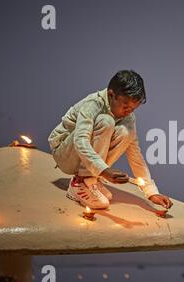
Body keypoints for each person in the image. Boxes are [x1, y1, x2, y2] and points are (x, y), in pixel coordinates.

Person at [48, 70, 173, 210]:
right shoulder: (93, 104)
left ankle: (90, 179)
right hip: (64, 154)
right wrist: (103, 171)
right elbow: (80, 140)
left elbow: (135, 155)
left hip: (85, 162)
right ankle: (79, 183)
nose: (129, 112)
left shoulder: (128, 117)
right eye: (126, 106)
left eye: (133, 109)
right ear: (111, 94)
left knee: (126, 132)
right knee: (105, 121)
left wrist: (151, 192)